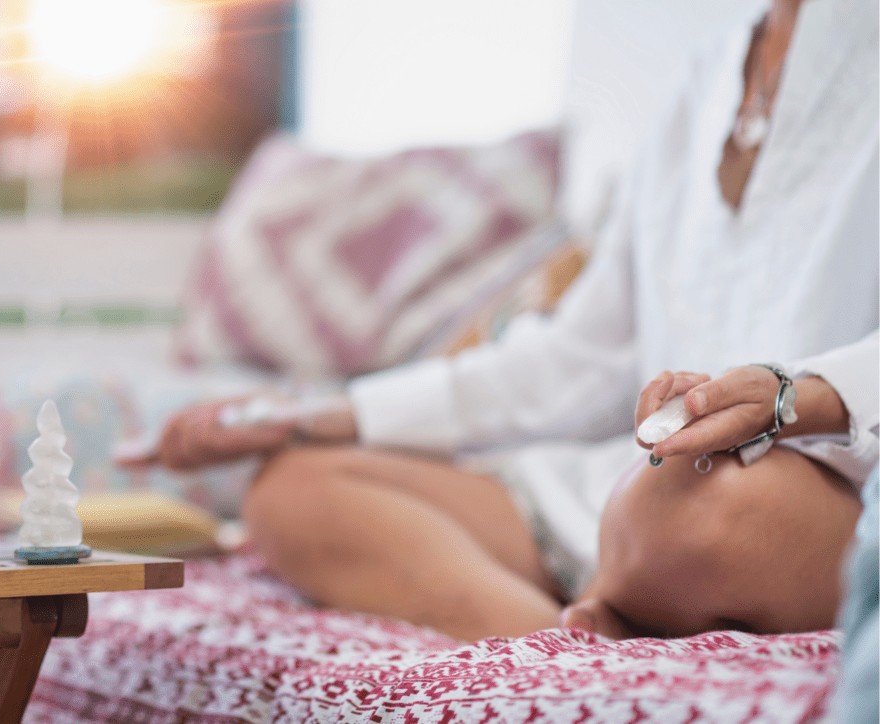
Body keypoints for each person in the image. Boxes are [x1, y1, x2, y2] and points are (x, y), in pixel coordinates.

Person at [121, 0, 879, 641]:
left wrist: (794, 399)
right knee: (295, 488)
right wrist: (313, 416)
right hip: (638, 483)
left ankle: (613, 605)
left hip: (805, 488)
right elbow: (578, 358)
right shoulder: (703, 86)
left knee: (688, 517)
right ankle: (561, 657)